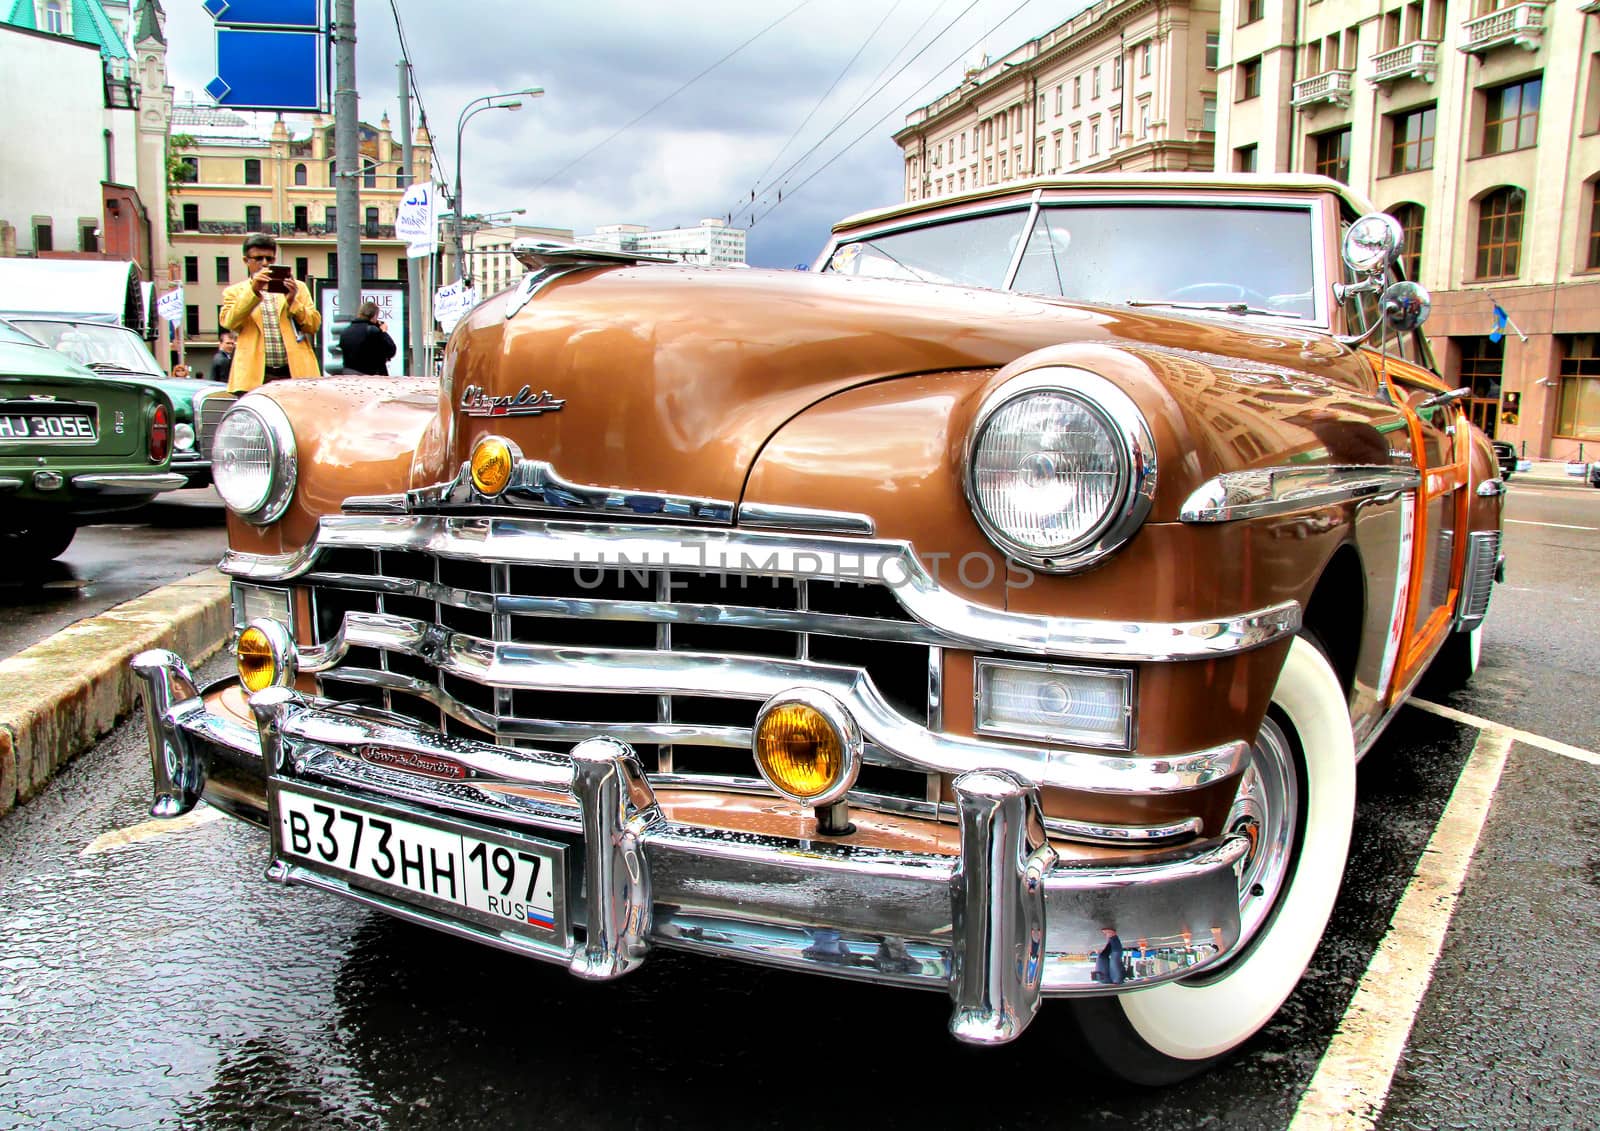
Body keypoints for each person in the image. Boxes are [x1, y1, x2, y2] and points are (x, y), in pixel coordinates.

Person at [216, 233, 322, 393]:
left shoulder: (297, 288)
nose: (264, 263)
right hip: (255, 376)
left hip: (294, 373)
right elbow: (229, 322)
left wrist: (293, 301)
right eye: (258, 258)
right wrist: (253, 291)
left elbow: (313, 325)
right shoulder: (235, 292)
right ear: (246, 261)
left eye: (269, 259)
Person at [337, 301, 398, 376]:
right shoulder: (372, 331)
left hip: (349, 374)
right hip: (370, 376)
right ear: (374, 316)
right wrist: (383, 332)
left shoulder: (346, 331)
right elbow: (391, 350)